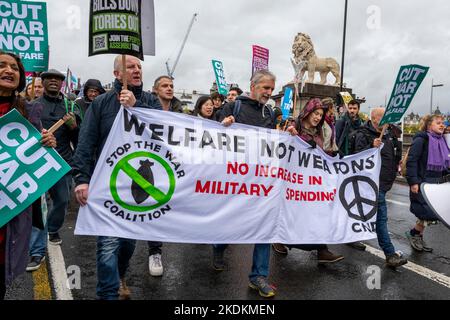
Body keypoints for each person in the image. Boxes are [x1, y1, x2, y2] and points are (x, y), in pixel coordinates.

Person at [72, 55, 161, 300]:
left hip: (138, 185)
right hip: (106, 185)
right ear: (117, 75)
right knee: (108, 244)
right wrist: (81, 178)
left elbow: (162, 135)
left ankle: (120, 275)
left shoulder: (151, 101)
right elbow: (86, 141)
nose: (137, 70)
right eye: (130, 66)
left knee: (128, 244)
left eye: (139, 66)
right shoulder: (100, 103)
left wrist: (137, 108)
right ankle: (108, 293)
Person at [217, 70, 285, 298]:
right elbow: (212, 135)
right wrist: (223, 125)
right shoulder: (233, 107)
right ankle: (218, 247)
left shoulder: (269, 112)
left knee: (263, 226)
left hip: (260, 179)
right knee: (229, 221)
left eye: (272, 90)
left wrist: (287, 136)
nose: (269, 93)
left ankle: (258, 276)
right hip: (234, 178)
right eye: (266, 88)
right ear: (253, 86)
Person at [0, 51, 56, 299]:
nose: (9, 70)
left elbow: (35, 154)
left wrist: (47, 142)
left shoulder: (29, 111)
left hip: (10, 209)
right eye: (1, 65)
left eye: (14, 67)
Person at [275, 98, 344, 263]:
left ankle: (322, 250)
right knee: (292, 214)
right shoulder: (294, 126)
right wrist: (291, 135)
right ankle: (279, 239)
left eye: (321, 114)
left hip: (311, 181)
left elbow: (324, 154)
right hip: (293, 180)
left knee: (316, 214)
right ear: (308, 112)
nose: (318, 117)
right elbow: (281, 148)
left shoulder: (320, 132)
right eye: (316, 113)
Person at [26, 69, 78, 274]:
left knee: (62, 202)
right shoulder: (31, 106)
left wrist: (74, 126)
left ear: (62, 84)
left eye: (58, 79)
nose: (54, 82)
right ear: (43, 82)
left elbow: (79, 139)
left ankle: (54, 228)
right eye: (50, 79)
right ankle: (37, 252)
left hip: (62, 164)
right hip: (37, 166)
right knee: (39, 210)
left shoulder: (70, 107)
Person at [353, 107, 407, 268]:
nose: (387, 122)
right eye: (384, 119)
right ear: (374, 119)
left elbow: (394, 154)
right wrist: (371, 145)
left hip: (384, 182)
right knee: (381, 218)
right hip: (371, 184)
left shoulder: (389, 134)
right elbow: (356, 157)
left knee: (361, 213)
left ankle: (349, 236)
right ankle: (390, 253)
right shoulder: (363, 134)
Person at [145, 75, 183, 277]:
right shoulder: (144, 109)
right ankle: (153, 250)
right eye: (164, 86)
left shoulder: (181, 112)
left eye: (171, 86)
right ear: (155, 89)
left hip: (171, 166)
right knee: (147, 205)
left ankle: (154, 250)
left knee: (159, 207)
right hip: (147, 163)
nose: (169, 89)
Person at [405, 114, 450, 252]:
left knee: (431, 213)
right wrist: (413, 182)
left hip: (437, 183)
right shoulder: (421, 140)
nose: (442, 125)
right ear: (429, 125)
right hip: (423, 182)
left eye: (443, 123)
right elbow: (412, 161)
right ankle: (414, 234)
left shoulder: (443, 140)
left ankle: (417, 235)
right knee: (426, 212)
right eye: (438, 123)